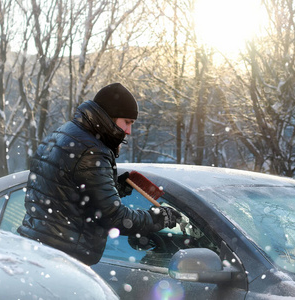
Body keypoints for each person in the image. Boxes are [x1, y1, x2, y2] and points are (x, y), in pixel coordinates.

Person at [18, 83, 180, 266]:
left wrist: (113, 187)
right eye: (126, 122)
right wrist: (157, 218)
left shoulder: (63, 134)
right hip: (64, 258)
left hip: (40, 248)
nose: (128, 131)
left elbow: (65, 191)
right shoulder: (92, 150)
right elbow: (115, 218)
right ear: (109, 117)